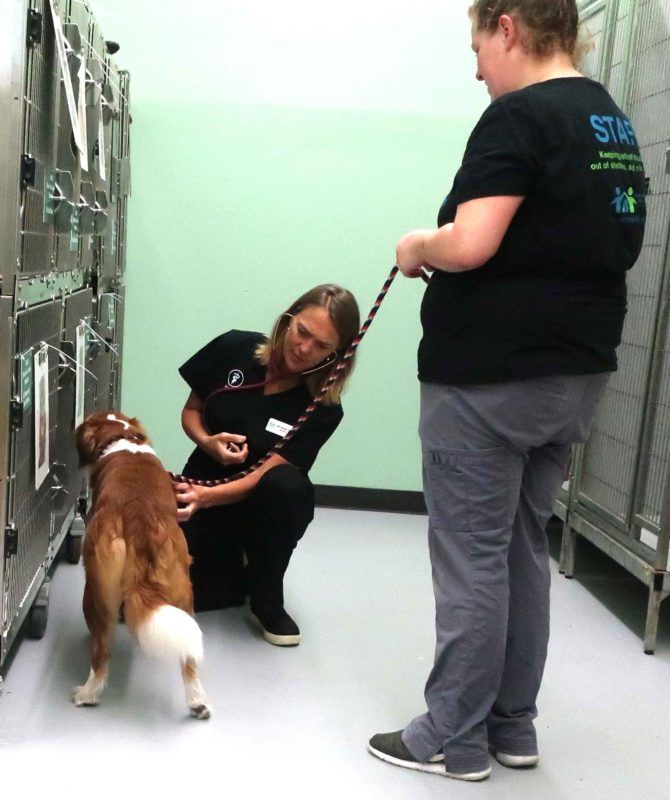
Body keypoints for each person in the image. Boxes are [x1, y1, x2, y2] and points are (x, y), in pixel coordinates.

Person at [368, 0, 646, 782]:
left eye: (479, 44)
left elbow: (473, 240)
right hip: (576, 374)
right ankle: (512, 726)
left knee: (472, 560)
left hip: (489, 379)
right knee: (523, 546)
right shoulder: (612, 125)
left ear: (511, 26)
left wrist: (416, 244)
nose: (477, 66)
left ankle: (452, 739)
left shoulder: (518, 116)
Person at [173, 284, 360, 647]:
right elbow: (192, 411)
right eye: (302, 332)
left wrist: (206, 497)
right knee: (157, 593)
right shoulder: (234, 347)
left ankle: (267, 593)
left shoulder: (323, 408)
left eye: (322, 346)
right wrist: (207, 442)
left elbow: (263, 473)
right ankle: (239, 569)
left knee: (285, 485)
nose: (305, 349)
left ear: (338, 355)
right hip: (203, 482)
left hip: (261, 503)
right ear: (288, 321)